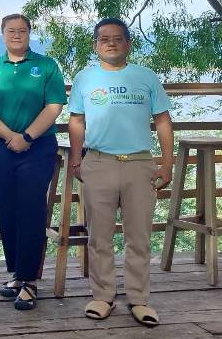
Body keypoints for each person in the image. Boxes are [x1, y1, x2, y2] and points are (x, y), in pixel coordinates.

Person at [69, 17, 174, 328]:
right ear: (95, 45)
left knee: (138, 236)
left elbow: (163, 121)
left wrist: (167, 163)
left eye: (117, 38)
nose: (111, 43)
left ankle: (139, 299)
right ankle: (103, 296)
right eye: (104, 39)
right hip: (99, 162)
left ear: (128, 43)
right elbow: (76, 121)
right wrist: (76, 160)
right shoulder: (84, 79)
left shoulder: (146, 77)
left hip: (140, 165)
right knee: (99, 236)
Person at [0, 13, 66, 310]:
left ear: (29, 33)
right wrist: (9, 136)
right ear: (2, 34)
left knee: (31, 209)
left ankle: (29, 280)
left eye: (22, 30)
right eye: (11, 31)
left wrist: (26, 136)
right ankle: (16, 273)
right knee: (7, 208)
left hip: (37, 147)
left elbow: (54, 105)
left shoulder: (47, 66)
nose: (16, 35)